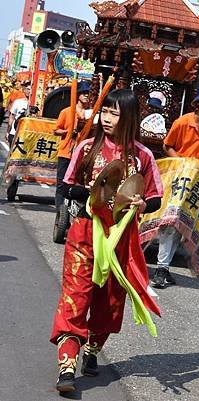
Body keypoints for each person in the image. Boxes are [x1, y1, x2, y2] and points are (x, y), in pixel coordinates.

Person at [50, 89, 164, 393]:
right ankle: (67, 366)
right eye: (106, 112)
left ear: (129, 117)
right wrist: (92, 192)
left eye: (115, 113)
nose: (107, 118)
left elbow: (155, 198)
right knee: (75, 297)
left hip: (121, 242)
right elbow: (67, 188)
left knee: (110, 304)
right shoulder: (88, 147)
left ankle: (92, 350)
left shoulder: (143, 156)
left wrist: (141, 204)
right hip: (85, 234)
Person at [151, 83, 199, 289]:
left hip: (198, 181)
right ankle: (160, 268)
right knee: (170, 221)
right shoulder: (182, 122)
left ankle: (163, 268)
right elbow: (167, 145)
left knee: (184, 224)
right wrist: (183, 162)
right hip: (178, 177)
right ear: (198, 104)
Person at [53, 80, 92, 211]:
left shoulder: (90, 114)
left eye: (88, 93)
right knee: (61, 184)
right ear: (78, 95)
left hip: (82, 154)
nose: (86, 95)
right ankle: (60, 211)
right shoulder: (66, 112)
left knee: (79, 184)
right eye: (84, 93)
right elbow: (56, 130)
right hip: (66, 152)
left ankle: (76, 210)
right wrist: (69, 132)